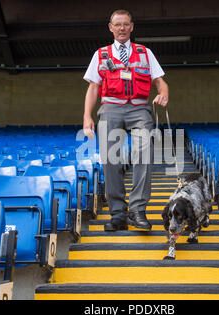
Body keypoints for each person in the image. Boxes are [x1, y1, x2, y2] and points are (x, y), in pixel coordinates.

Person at [82, 9, 169, 231]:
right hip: (110, 107)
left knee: (144, 153)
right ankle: (118, 214)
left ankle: (138, 211)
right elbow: (93, 87)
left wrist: (163, 93)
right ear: (110, 27)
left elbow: (160, 82)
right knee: (110, 159)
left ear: (131, 27)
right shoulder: (101, 54)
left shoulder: (145, 53)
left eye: (125, 24)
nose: (122, 28)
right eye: (117, 24)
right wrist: (87, 116)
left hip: (139, 108)